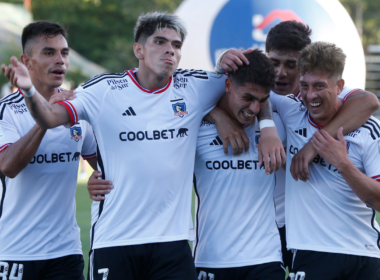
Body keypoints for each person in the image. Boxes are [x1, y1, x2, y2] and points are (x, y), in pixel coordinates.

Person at [4, 12, 285, 280]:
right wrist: (29, 90)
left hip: (172, 244)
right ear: (139, 50)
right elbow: (50, 117)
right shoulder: (103, 90)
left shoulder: (195, 86)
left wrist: (266, 125)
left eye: (176, 45)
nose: (169, 51)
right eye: (160, 42)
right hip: (115, 241)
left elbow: (254, 88)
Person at [218, 20, 379, 271]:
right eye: (274, 63)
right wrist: (255, 124)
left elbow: (368, 100)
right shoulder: (277, 104)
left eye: (291, 65)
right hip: (260, 233)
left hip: (336, 242)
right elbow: (204, 95)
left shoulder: (325, 100)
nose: (281, 73)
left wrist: (315, 145)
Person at [270, 41, 380, 280]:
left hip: (364, 254)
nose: (311, 96)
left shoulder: (369, 130)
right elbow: (238, 90)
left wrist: (343, 163)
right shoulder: (292, 111)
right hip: (311, 253)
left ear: (340, 86)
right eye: (305, 86)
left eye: (320, 86)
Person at [0, 21, 97, 280]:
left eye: (64, 53)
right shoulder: (7, 109)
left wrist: (99, 179)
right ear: (26, 61)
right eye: (48, 52)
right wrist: (47, 116)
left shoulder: (78, 107)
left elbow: (104, 164)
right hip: (16, 252)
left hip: (66, 253)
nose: (60, 60)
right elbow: (8, 166)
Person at [193, 49, 286, 280]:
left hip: (266, 259)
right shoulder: (194, 127)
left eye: (262, 101)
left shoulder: (278, 127)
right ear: (227, 86)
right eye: (247, 98)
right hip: (211, 258)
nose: (254, 109)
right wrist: (216, 115)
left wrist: (267, 126)